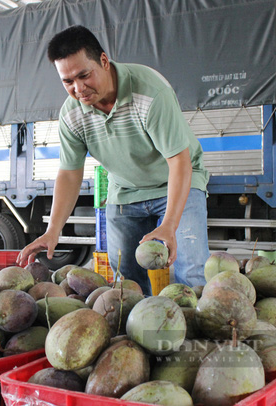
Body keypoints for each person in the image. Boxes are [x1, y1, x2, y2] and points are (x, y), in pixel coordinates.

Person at [17, 25, 210, 294]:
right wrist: (53, 230)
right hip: (125, 192)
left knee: (191, 274)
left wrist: (169, 226)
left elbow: (179, 161)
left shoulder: (150, 94)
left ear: (104, 62)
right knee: (126, 283)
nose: (78, 88)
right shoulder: (72, 114)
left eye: (84, 75)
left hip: (175, 184)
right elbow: (70, 173)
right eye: (68, 81)